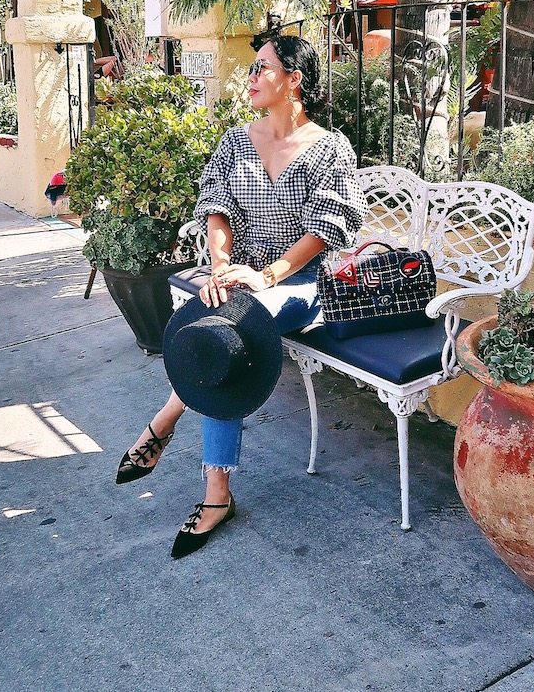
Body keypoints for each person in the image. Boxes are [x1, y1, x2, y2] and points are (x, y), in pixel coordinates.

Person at [115, 33, 366, 558]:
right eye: (251, 67)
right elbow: (218, 208)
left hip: (301, 285)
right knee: (214, 329)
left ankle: (172, 438)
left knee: (226, 338)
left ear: (294, 80)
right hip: (243, 280)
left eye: (262, 68)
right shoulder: (235, 141)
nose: (250, 77)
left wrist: (268, 275)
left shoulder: (331, 148)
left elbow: (328, 227)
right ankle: (214, 491)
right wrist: (224, 267)